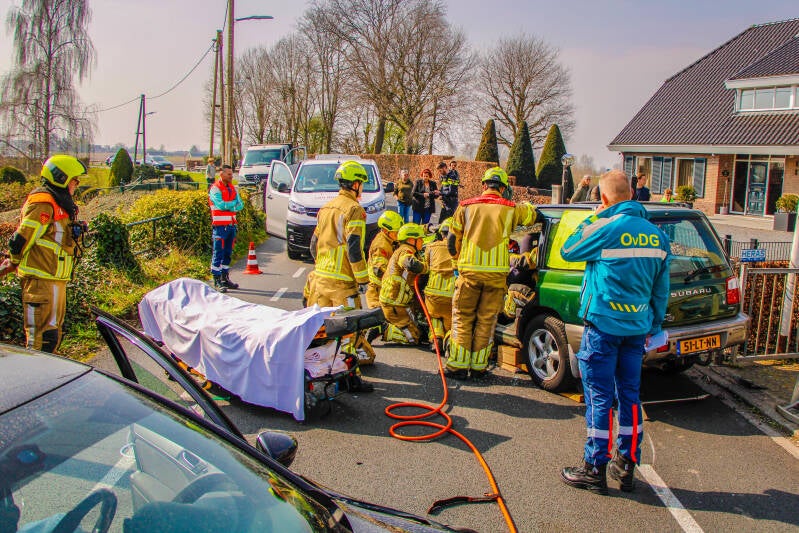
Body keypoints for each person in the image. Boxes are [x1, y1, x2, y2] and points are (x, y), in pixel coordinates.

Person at [559, 170, 671, 494]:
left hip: (603, 326)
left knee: (599, 397)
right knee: (630, 397)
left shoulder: (606, 228)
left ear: (605, 199)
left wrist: (594, 218)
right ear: (634, 195)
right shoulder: (656, 236)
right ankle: (626, 466)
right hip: (637, 329)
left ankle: (593, 468)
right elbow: (660, 290)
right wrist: (655, 325)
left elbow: (569, 249)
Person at [446, 167, 537, 379]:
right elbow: (532, 215)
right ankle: (479, 367)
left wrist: (456, 263)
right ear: (503, 188)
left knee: (462, 317)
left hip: (468, 273)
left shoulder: (465, 206)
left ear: (483, 185)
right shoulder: (511, 208)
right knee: (486, 320)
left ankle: (458, 366)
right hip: (496, 276)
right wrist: (526, 205)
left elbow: (452, 240)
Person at [2, 155, 87, 352]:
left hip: (55, 280)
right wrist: (12, 261)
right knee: (41, 340)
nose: (77, 184)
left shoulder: (60, 205)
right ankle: (36, 381)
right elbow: (22, 239)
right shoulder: (44, 203)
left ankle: (48, 378)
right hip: (41, 282)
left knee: (52, 337)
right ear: (62, 178)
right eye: (75, 180)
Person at [309, 160, 374, 392]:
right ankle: (350, 378)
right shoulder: (354, 209)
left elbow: (314, 244)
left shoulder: (327, 207)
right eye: (362, 184)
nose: (362, 189)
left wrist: (320, 267)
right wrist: (363, 279)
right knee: (349, 331)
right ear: (356, 184)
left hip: (320, 279)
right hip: (342, 283)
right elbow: (354, 248)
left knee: (320, 331)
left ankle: (319, 372)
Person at [379, 223, 428, 345]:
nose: (422, 242)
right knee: (414, 338)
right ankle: (383, 329)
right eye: (420, 239)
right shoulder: (405, 251)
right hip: (395, 303)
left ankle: (396, 325)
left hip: (396, 301)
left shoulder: (403, 249)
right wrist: (427, 268)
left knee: (420, 330)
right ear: (412, 240)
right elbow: (411, 264)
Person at [208, 164, 243, 293]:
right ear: (221, 175)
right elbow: (221, 205)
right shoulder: (215, 189)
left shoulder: (233, 188)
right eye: (229, 174)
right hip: (219, 227)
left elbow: (241, 205)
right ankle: (216, 280)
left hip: (231, 225)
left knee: (228, 253)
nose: (231, 176)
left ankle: (224, 278)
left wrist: (231, 205)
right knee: (218, 253)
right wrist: (233, 204)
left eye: (231, 173)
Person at [423, 218, 456, 354]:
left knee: (434, 316)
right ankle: (449, 340)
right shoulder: (460, 248)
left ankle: (436, 339)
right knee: (451, 323)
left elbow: (426, 267)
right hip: (451, 296)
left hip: (432, 295)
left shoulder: (431, 247)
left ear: (441, 233)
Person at [365, 210, 403, 309]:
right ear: (386, 231)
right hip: (376, 292)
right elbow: (379, 270)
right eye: (396, 232)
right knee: (379, 319)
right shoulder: (381, 246)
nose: (398, 234)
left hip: (384, 288)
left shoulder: (390, 238)